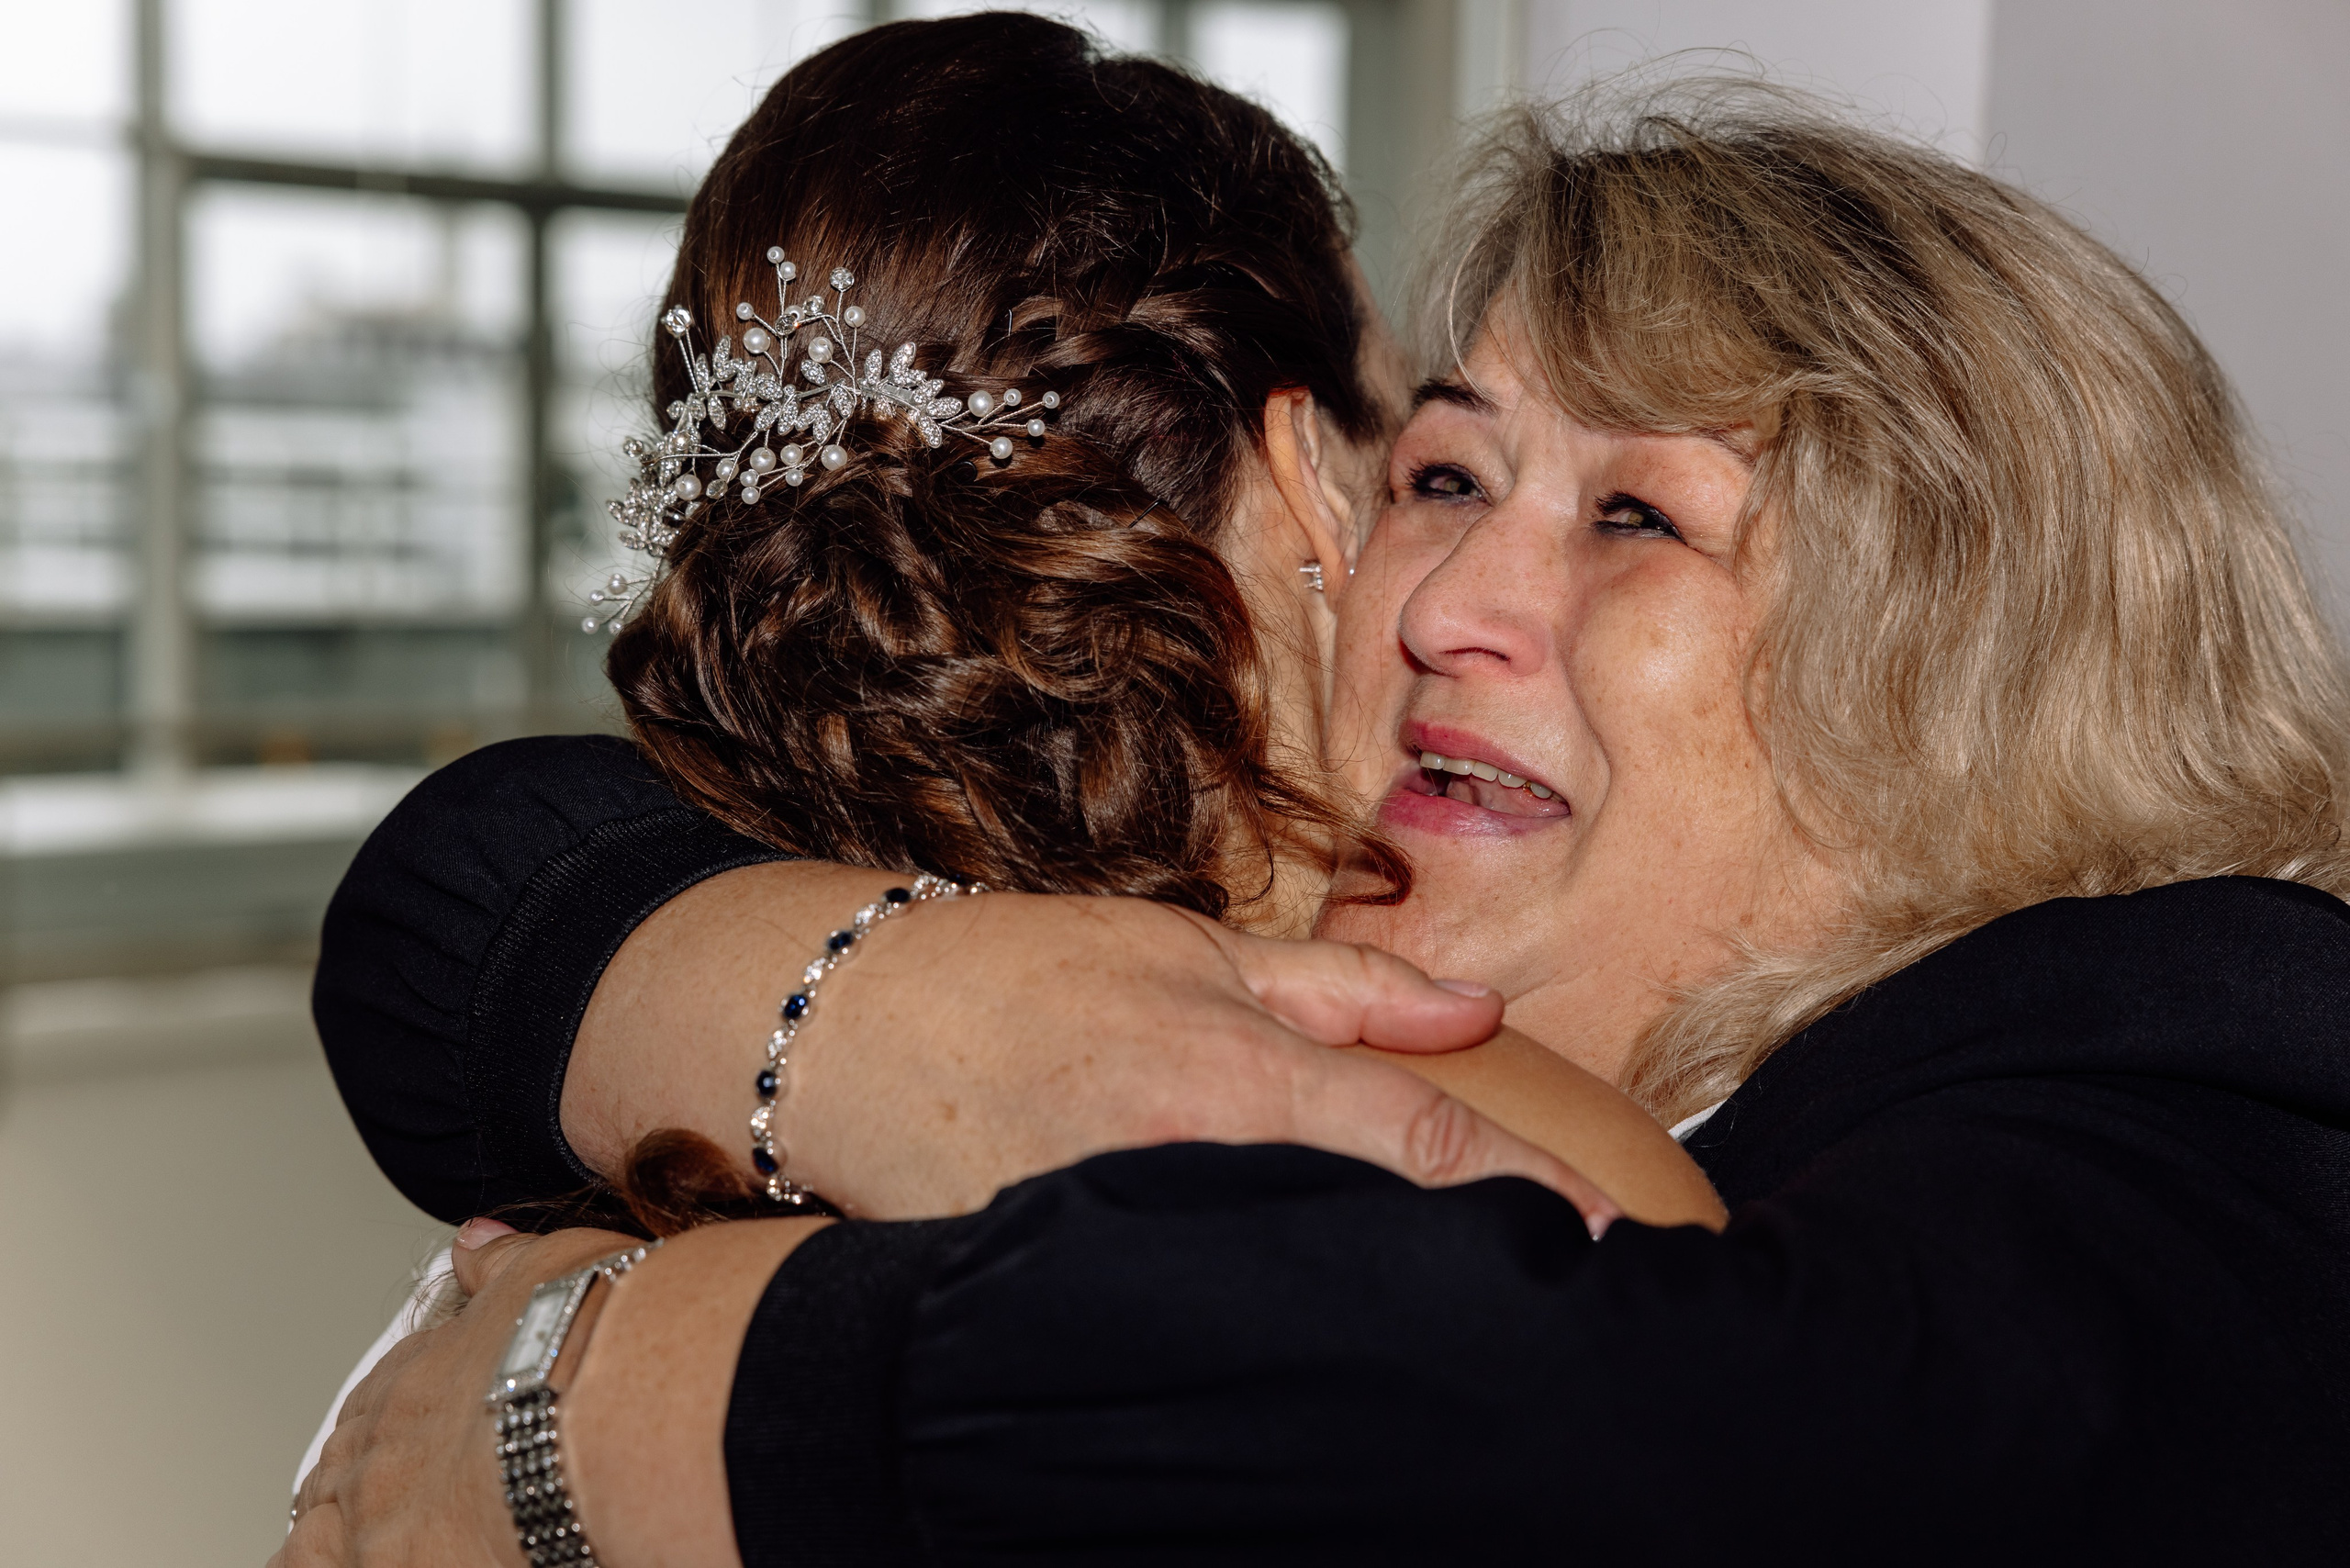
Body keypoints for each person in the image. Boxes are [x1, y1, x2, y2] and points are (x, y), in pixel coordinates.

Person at [287, 77, 2350, 1568]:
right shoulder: (1221, 1005)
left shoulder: (2188, 1090)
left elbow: (1654, 1444)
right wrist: (894, 1005)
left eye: (1633, 513)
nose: (1435, 600)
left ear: (1971, 649)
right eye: (1438, 478)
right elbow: (462, 880)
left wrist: (623, 1402)